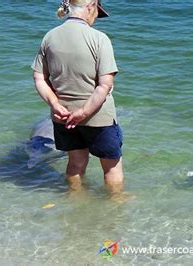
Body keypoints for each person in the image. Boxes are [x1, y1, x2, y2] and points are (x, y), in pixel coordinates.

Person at [31, 0, 124, 196]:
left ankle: (76, 201)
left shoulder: (49, 37)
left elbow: (39, 78)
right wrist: (84, 112)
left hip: (63, 117)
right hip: (98, 118)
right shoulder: (99, 39)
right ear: (91, 6)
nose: (97, 17)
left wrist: (55, 104)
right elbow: (104, 85)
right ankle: (116, 207)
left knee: (75, 163)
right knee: (111, 166)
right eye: (97, 11)